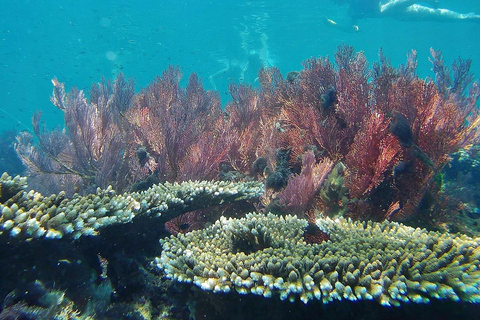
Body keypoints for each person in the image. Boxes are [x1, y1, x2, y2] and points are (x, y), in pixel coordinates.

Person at [326, 0, 480, 32]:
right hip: (401, 15)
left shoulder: (356, 4)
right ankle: (467, 16)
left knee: (434, 15)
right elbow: (352, 28)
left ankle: (466, 17)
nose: (335, 4)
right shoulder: (352, 8)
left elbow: (381, 10)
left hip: (401, 9)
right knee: (434, 16)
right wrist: (335, 25)